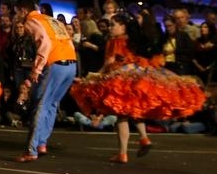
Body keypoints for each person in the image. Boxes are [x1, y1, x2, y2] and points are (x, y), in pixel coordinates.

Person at [71, 13, 207, 163]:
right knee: (133, 110)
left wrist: (97, 75)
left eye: (113, 25)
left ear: (123, 26)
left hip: (120, 79)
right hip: (137, 77)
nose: (110, 28)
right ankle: (144, 138)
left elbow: (110, 61)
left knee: (121, 116)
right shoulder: (133, 40)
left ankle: (123, 153)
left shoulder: (115, 41)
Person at [15, 0, 79, 162]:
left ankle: (32, 149)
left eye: (17, 13)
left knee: (41, 105)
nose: (17, 17)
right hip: (70, 63)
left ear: (23, 10)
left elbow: (45, 43)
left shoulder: (32, 20)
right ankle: (42, 142)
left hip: (55, 64)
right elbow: (68, 42)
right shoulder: (51, 19)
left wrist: (37, 69)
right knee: (51, 104)